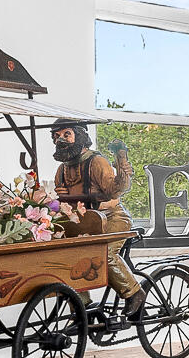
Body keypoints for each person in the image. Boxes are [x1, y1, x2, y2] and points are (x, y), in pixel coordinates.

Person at [49, 121, 143, 305]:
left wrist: (122, 169)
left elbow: (114, 191)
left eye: (66, 134)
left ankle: (134, 293)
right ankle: (81, 307)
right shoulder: (62, 170)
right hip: (82, 222)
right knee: (66, 257)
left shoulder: (96, 162)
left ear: (79, 136)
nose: (60, 140)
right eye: (56, 136)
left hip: (111, 218)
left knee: (103, 253)